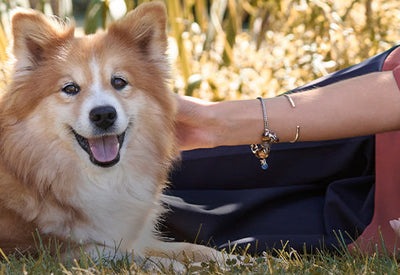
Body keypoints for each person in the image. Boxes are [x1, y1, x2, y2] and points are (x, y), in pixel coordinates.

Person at [161, 45, 400, 255]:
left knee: (171, 212)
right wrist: (215, 122)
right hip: (377, 105)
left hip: (376, 213)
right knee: (175, 160)